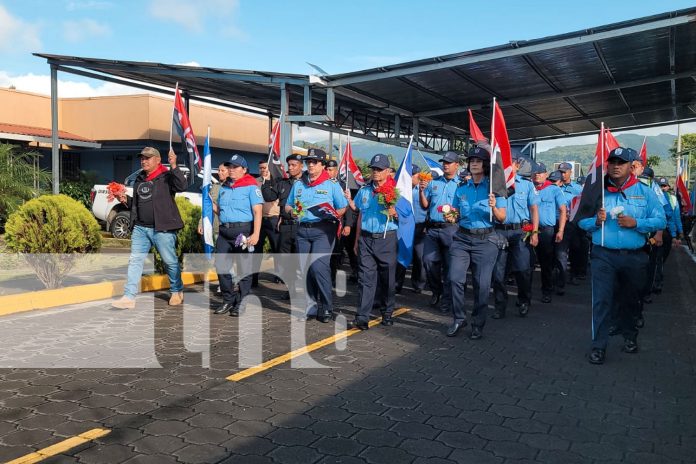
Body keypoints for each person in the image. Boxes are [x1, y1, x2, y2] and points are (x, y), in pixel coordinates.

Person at [578, 147, 665, 364]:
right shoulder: (596, 192)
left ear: (631, 166)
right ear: (607, 164)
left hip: (634, 257)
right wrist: (596, 221)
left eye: (622, 162)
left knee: (631, 300)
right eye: (613, 162)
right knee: (601, 301)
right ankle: (598, 346)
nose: (616, 166)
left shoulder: (645, 192)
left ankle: (630, 335)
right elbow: (580, 220)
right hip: (603, 256)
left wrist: (637, 223)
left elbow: (660, 220)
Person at [112, 147, 187, 310]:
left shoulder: (167, 176)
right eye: (142, 158)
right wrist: (125, 199)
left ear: (158, 160)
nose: (143, 161)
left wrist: (174, 166)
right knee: (135, 260)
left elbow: (181, 186)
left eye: (148, 158)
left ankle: (176, 290)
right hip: (140, 228)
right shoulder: (139, 178)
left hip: (162, 228)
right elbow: (139, 204)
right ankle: (129, 297)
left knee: (170, 262)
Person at [447, 145, 506, 339]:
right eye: (471, 161)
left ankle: (478, 323)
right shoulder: (461, 189)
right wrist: (450, 216)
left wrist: (494, 207)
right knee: (455, 278)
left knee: (481, 285)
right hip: (462, 238)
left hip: (486, 241)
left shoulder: (494, 189)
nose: (474, 164)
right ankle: (458, 317)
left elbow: (502, 217)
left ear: (485, 165)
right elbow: (455, 213)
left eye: (478, 161)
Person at [285, 148, 348, 322]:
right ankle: (311, 307)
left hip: (324, 230)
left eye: (315, 162)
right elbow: (288, 205)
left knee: (319, 268)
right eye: (308, 162)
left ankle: (327, 307)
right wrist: (292, 212)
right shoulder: (299, 184)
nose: (310, 165)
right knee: (306, 269)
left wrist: (335, 214)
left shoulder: (332, 184)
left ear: (322, 165)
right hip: (303, 230)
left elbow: (342, 207)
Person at [347, 154, 399, 330]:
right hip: (366, 239)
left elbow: (406, 216)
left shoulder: (396, 191)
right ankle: (362, 317)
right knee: (365, 279)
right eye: (373, 169)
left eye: (379, 169)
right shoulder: (365, 190)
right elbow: (360, 215)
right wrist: (356, 241)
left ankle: (387, 312)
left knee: (387, 279)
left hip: (386, 239)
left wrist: (395, 211)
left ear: (387, 171)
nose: (375, 172)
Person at [213, 154, 262, 316]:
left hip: (243, 232)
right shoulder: (224, 187)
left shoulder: (251, 186)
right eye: (230, 167)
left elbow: (258, 211)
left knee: (244, 270)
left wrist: (255, 234)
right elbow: (221, 210)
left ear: (244, 170)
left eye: (235, 167)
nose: (231, 170)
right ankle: (228, 300)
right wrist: (212, 206)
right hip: (225, 232)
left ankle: (241, 302)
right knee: (221, 266)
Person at [491, 153, 539, 319]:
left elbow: (533, 209)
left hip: (520, 231)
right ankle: (500, 305)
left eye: (510, 163)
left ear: (517, 165)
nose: (507, 166)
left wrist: (534, 232)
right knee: (498, 272)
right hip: (499, 230)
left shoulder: (526, 185)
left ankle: (524, 300)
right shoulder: (494, 184)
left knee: (522, 269)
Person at [420, 151, 460, 312]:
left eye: (449, 162)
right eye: (444, 162)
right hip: (433, 229)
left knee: (450, 267)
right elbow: (425, 205)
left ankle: (447, 299)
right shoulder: (434, 183)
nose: (445, 164)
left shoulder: (462, 184)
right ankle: (437, 291)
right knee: (428, 261)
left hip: (451, 229)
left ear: (457, 165)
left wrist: (455, 216)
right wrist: (421, 191)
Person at [261, 153, 304, 300]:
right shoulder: (283, 183)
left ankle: (306, 289)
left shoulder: (308, 183)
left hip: (302, 227)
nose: (290, 168)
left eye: (294, 165)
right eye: (289, 165)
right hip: (285, 227)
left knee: (302, 260)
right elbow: (269, 197)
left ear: (301, 166)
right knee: (286, 261)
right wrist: (266, 180)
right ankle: (291, 289)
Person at [532, 162, 567, 304]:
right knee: (527, 263)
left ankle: (547, 290)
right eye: (535, 172)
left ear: (546, 174)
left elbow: (563, 210)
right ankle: (525, 294)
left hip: (546, 230)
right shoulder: (529, 188)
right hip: (528, 229)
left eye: (541, 172)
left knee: (546, 262)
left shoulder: (553, 189)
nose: (537, 175)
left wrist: (561, 230)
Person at [395, 165, 427, 294]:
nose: (411, 178)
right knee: (402, 254)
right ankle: (397, 284)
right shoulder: (401, 191)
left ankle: (418, 284)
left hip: (421, 226)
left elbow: (428, 206)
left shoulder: (424, 189)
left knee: (420, 257)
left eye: (413, 175)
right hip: (405, 227)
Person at [326, 159, 356, 287]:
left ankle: (332, 277)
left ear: (336, 171)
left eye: (330, 170)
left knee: (336, 252)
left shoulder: (342, 185)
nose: (328, 172)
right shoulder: (320, 184)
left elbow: (347, 206)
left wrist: (348, 224)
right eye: (326, 169)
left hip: (339, 223)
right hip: (324, 222)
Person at [251, 161, 281, 287]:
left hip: (274, 218)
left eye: (265, 167)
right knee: (256, 250)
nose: (263, 170)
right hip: (259, 220)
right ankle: (254, 278)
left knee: (276, 249)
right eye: (261, 167)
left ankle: (279, 275)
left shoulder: (278, 181)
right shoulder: (255, 182)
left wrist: (282, 218)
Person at [558, 162, 586, 285]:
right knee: (560, 252)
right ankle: (560, 276)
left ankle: (574, 273)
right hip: (558, 223)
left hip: (573, 223)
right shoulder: (556, 187)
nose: (562, 174)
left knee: (575, 249)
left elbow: (583, 205)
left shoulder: (578, 189)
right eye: (561, 172)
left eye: (565, 172)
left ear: (570, 172)